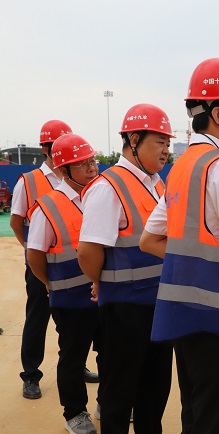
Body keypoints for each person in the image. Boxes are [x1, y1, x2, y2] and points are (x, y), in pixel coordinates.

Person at [140, 57, 219, 434]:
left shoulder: (183, 165)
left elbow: (151, 239)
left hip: (186, 322)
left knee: (195, 420)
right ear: (218, 113)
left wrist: (199, 265)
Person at [77, 104, 174, 434]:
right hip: (124, 310)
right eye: (159, 142)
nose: (166, 149)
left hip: (159, 306)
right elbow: (88, 251)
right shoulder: (109, 187)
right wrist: (101, 280)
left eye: (167, 142)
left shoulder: (158, 184)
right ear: (134, 140)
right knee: (119, 396)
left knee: (154, 393)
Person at [10, 120, 97, 399]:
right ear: (46, 149)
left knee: (73, 327)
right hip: (42, 268)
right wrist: (33, 253)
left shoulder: (84, 180)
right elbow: (16, 222)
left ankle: (78, 365)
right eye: (54, 144)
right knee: (37, 318)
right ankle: (31, 375)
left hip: (75, 270)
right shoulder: (29, 181)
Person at [26, 134, 102, 434]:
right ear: (63, 170)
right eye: (82, 164)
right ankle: (75, 414)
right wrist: (49, 283)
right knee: (73, 357)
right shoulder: (48, 207)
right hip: (71, 299)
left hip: (105, 294)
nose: (92, 168)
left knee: (111, 351)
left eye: (93, 161)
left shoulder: (100, 196)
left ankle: (107, 401)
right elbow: (35, 254)